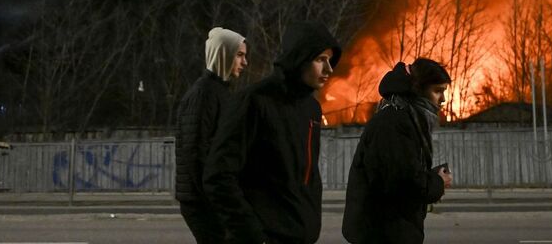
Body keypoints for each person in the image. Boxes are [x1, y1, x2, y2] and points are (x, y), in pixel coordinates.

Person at [204, 20, 341, 244]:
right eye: (320, 60)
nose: (329, 69)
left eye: (330, 60)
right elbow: (218, 176)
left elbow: (308, 177)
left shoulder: (312, 108)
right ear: (299, 59)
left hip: (300, 236)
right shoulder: (255, 101)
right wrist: (251, 234)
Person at [342, 58, 454, 244]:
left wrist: (429, 177)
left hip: (391, 229)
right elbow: (402, 183)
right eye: (438, 91)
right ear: (418, 89)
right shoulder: (394, 122)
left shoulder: (406, 118)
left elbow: (402, 169)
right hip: (384, 233)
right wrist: (437, 182)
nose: (443, 99)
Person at [175, 26, 249, 243]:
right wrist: (216, 197)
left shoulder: (220, 92)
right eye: (240, 55)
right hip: (203, 201)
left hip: (213, 197)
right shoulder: (203, 94)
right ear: (222, 54)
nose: (245, 62)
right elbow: (195, 151)